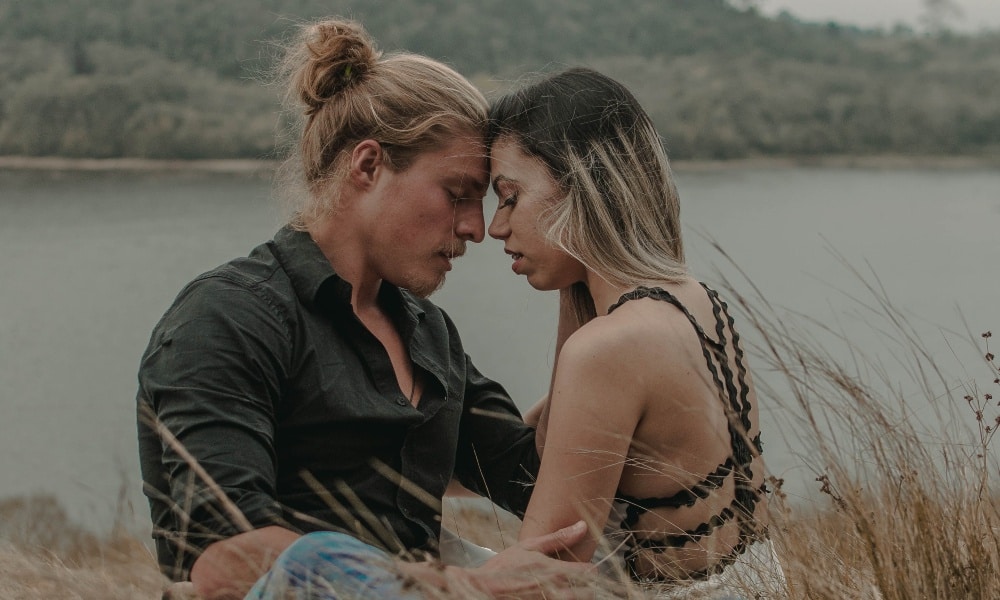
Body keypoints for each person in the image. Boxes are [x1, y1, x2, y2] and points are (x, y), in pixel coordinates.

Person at [136, 19, 594, 600]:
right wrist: (461, 588)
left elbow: (531, 476)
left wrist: (577, 281)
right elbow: (229, 557)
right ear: (368, 165)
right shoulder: (227, 317)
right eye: (456, 194)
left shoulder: (428, 332)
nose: (476, 228)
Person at [484, 67, 784, 596]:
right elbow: (552, 436)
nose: (496, 226)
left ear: (583, 188)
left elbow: (546, 576)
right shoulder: (696, 300)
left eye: (510, 196)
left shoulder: (608, 349)